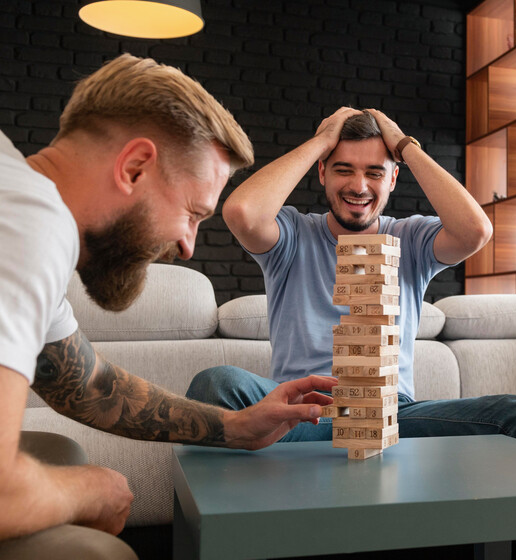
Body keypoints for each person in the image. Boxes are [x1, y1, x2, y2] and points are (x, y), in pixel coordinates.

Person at [186, 107, 516, 559]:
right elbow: (241, 209)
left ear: (393, 179)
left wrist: (404, 144)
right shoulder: (293, 235)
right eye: (343, 170)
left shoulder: (410, 240)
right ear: (321, 172)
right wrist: (322, 138)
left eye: (375, 172)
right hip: (299, 421)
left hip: (395, 419)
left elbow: (476, 230)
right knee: (215, 385)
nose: (359, 186)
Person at [0, 54, 338, 560]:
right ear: (134, 167)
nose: (188, 246)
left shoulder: (22, 199)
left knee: (57, 455)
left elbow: (89, 386)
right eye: (192, 213)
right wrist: (97, 489)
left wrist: (236, 428)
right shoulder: (28, 225)